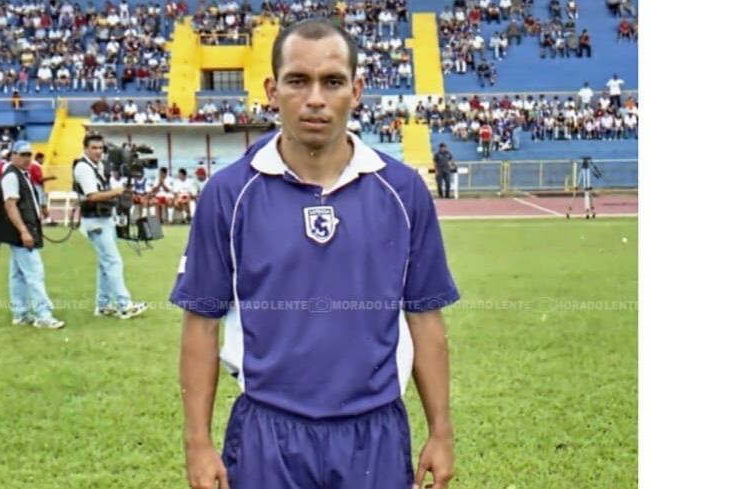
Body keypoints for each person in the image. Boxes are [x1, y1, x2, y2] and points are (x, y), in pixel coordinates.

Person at [172, 18, 459, 489]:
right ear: (272, 89)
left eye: (332, 82)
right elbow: (201, 324)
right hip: (268, 431)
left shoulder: (404, 192)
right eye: (298, 81)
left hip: (375, 432)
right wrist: (198, 444)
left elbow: (426, 320)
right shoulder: (228, 194)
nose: (315, 99)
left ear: (356, 90)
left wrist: (441, 432)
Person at [72, 133, 147, 319]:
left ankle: (103, 305)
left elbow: (110, 187)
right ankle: (124, 305)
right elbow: (92, 195)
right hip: (95, 221)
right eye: (94, 148)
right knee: (113, 262)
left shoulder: (98, 166)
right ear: (85, 148)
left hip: (104, 218)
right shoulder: (83, 168)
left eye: (100, 148)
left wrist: (122, 189)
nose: (98, 152)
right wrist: (117, 191)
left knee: (105, 265)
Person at [0, 141, 65, 329]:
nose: (26, 159)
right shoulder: (12, 176)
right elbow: (10, 205)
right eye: (22, 155)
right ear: (13, 155)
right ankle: (43, 314)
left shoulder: (22, 175)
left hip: (22, 230)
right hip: (21, 232)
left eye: (28, 155)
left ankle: (20, 313)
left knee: (18, 274)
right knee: (34, 273)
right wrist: (24, 231)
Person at [28, 152, 57, 221]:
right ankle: (40, 218)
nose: (43, 161)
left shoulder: (32, 166)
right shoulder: (35, 166)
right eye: (43, 159)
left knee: (43, 203)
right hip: (37, 186)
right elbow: (39, 179)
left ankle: (47, 218)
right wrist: (51, 178)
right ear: (39, 158)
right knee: (40, 203)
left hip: (36, 186)